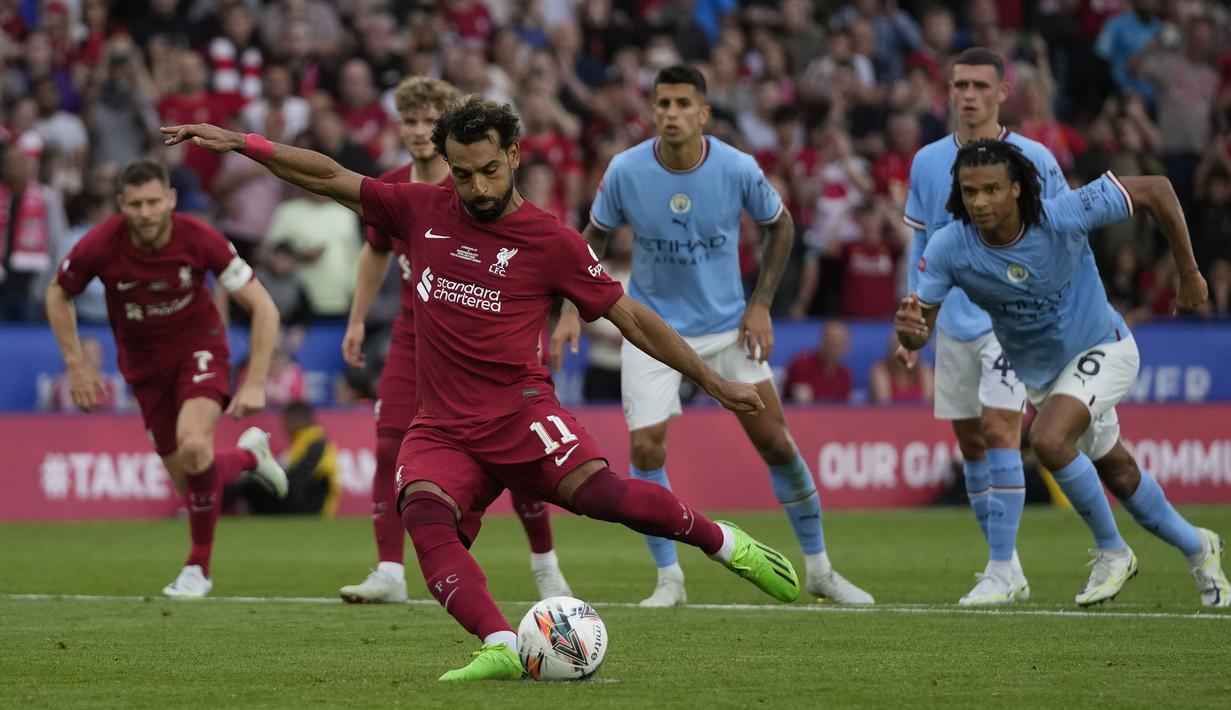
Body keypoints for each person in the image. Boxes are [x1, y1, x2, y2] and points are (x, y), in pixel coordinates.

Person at [163, 94, 801, 681]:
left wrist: (712, 380)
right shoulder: (421, 209)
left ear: (514, 155)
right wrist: (243, 143)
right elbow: (329, 177)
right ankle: (499, 641)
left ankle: (723, 542)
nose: (478, 187)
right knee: (422, 512)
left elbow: (629, 316)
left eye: (490, 170)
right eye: (463, 173)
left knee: (605, 497)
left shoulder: (551, 240)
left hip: (521, 415)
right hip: (442, 425)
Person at [553, 64, 872, 607]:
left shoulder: (736, 166)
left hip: (728, 329)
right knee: (647, 446)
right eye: (663, 104)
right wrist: (567, 308)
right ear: (652, 110)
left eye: (682, 104)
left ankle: (819, 568)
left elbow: (782, 225)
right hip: (653, 329)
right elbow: (594, 237)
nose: (671, 114)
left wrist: (762, 304)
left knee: (775, 441)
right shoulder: (626, 170)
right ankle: (669, 579)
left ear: (703, 112)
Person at [898, 138, 1230, 609]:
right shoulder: (951, 246)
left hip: (1105, 348)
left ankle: (1113, 550)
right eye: (969, 192)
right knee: (1118, 471)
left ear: (1016, 189)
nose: (979, 202)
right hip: (1045, 377)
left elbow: (1156, 188)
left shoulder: (1064, 215)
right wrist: (910, 331)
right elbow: (919, 327)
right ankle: (1199, 547)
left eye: (991, 190)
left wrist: (1190, 274)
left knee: (1050, 440)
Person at [338, 76, 573, 604]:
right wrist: (356, 319)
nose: (420, 131)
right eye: (411, 121)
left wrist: (555, 323)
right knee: (386, 447)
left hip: (486, 341)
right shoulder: (395, 188)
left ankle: (545, 566)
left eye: (430, 120)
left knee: (518, 460)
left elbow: (546, 253)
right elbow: (376, 250)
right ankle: (389, 571)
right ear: (399, 126)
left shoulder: (477, 187)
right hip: (412, 337)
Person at [45, 159, 288, 598]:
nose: (146, 213)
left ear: (171, 199)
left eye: (154, 202)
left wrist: (254, 381)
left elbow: (264, 307)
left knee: (195, 447)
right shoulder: (100, 244)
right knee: (194, 480)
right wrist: (76, 363)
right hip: (144, 369)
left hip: (200, 350)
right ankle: (250, 456)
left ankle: (198, 568)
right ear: (121, 205)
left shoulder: (200, 238)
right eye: (136, 204)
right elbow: (58, 292)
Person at [901, 47, 1067, 606]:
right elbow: (921, 246)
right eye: (959, 85)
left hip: (1014, 319)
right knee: (971, 442)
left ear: (1002, 91)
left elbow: (1064, 236)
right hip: (954, 322)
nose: (967, 95)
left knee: (1002, 431)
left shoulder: (1035, 158)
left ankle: (997, 568)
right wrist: (914, 318)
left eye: (978, 85)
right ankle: (1010, 565)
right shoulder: (926, 161)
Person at [224, 401, 340, 516]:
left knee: (251, 484)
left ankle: (214, 506)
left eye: (287, 421)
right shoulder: (304, 443)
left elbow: (298, 477)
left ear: (298, 419)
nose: (285, 426)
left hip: (313, 509)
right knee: (253, 484)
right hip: (303, 501)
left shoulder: (318, 445)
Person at [783, 320, 854, 404]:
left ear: (846, 346)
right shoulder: (802, 363)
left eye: (838, 342)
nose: (833, 343)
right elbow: (793, 396)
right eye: (829, 339)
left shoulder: (845, 375)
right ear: (822, 340)